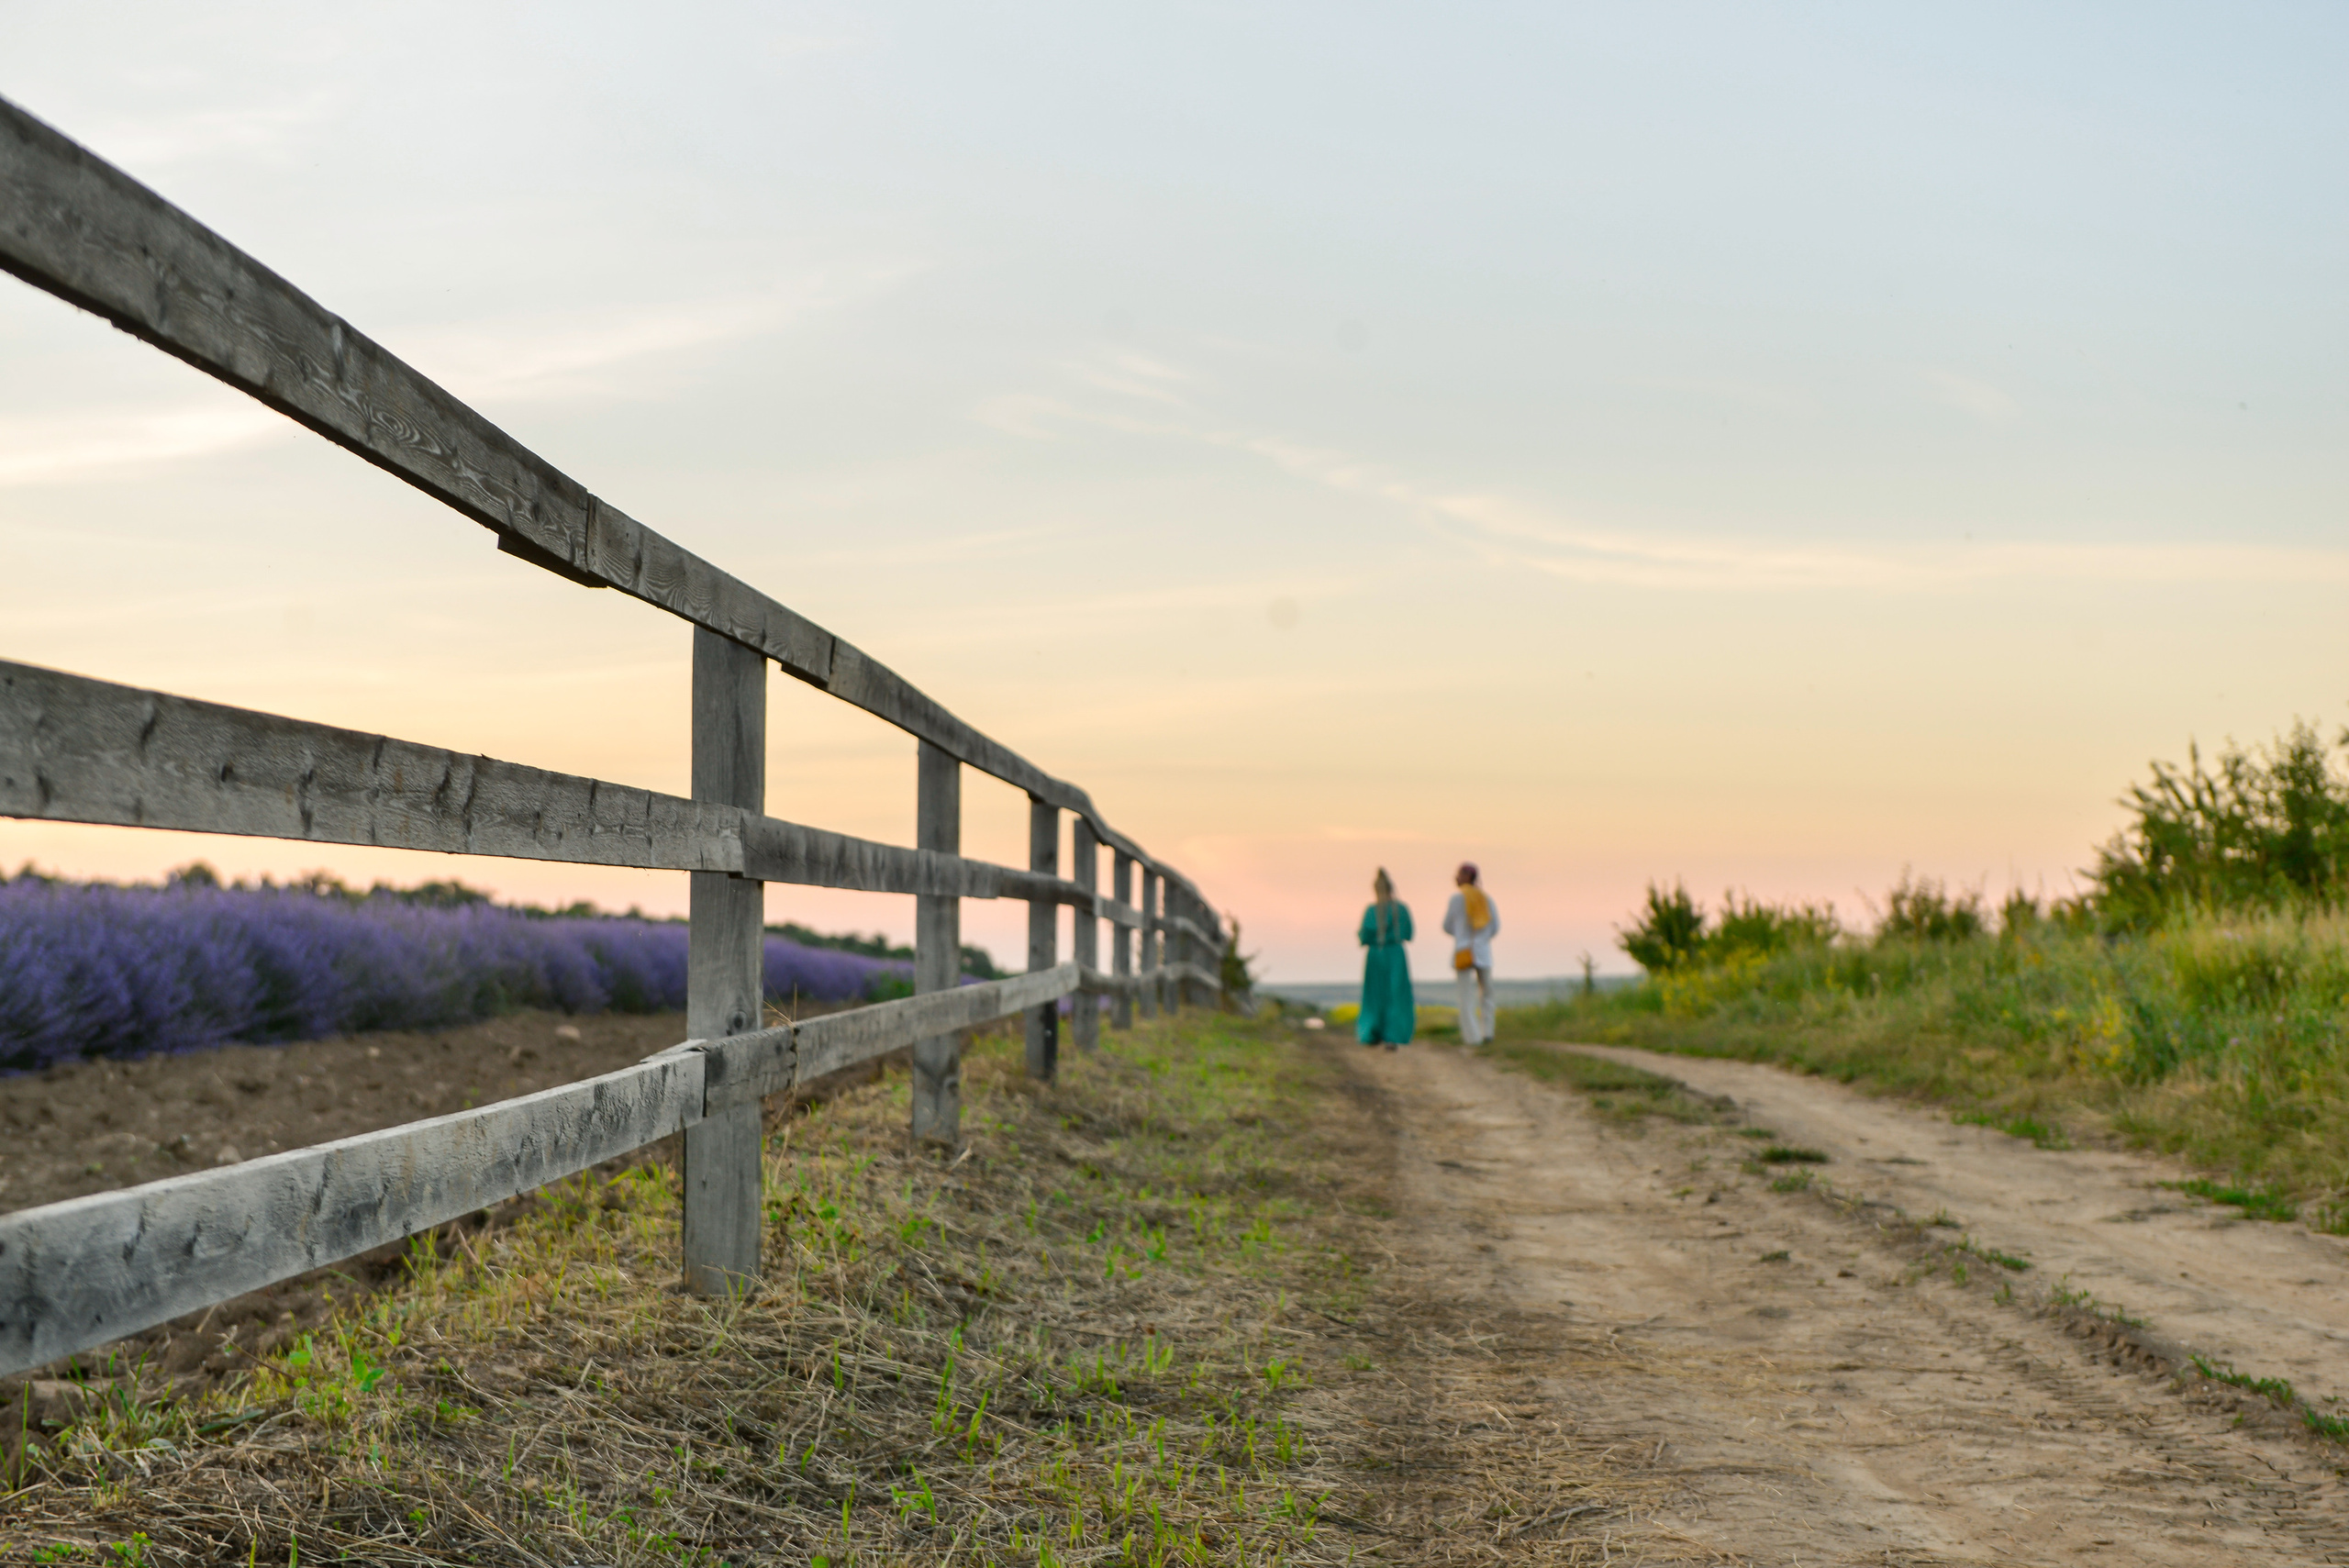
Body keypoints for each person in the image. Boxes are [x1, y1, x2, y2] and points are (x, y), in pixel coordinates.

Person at [1355, 868, 1416, 1049]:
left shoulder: (1370, 911)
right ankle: (1393, 1035)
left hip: (1376, 954)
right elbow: (1409, 933)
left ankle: (1372, 1032)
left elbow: (1363, 936)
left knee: (1374, 994)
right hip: (1396, 953)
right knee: (1396, 994)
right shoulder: (1401, 909)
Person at [1443, 862, 1499, 1045]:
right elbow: (1495, 926)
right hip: (1483, 952)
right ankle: (1488, 1033)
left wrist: (1461, 936)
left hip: (1463, 951)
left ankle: (1473, 1037)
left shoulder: (1457, 899)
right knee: (1487, 993)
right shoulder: (1486, 899)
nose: (1456, 878)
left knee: (1466, 996)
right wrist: (1481, 940)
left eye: (1459, 874)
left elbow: (1447, 926)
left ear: (1467, 876)